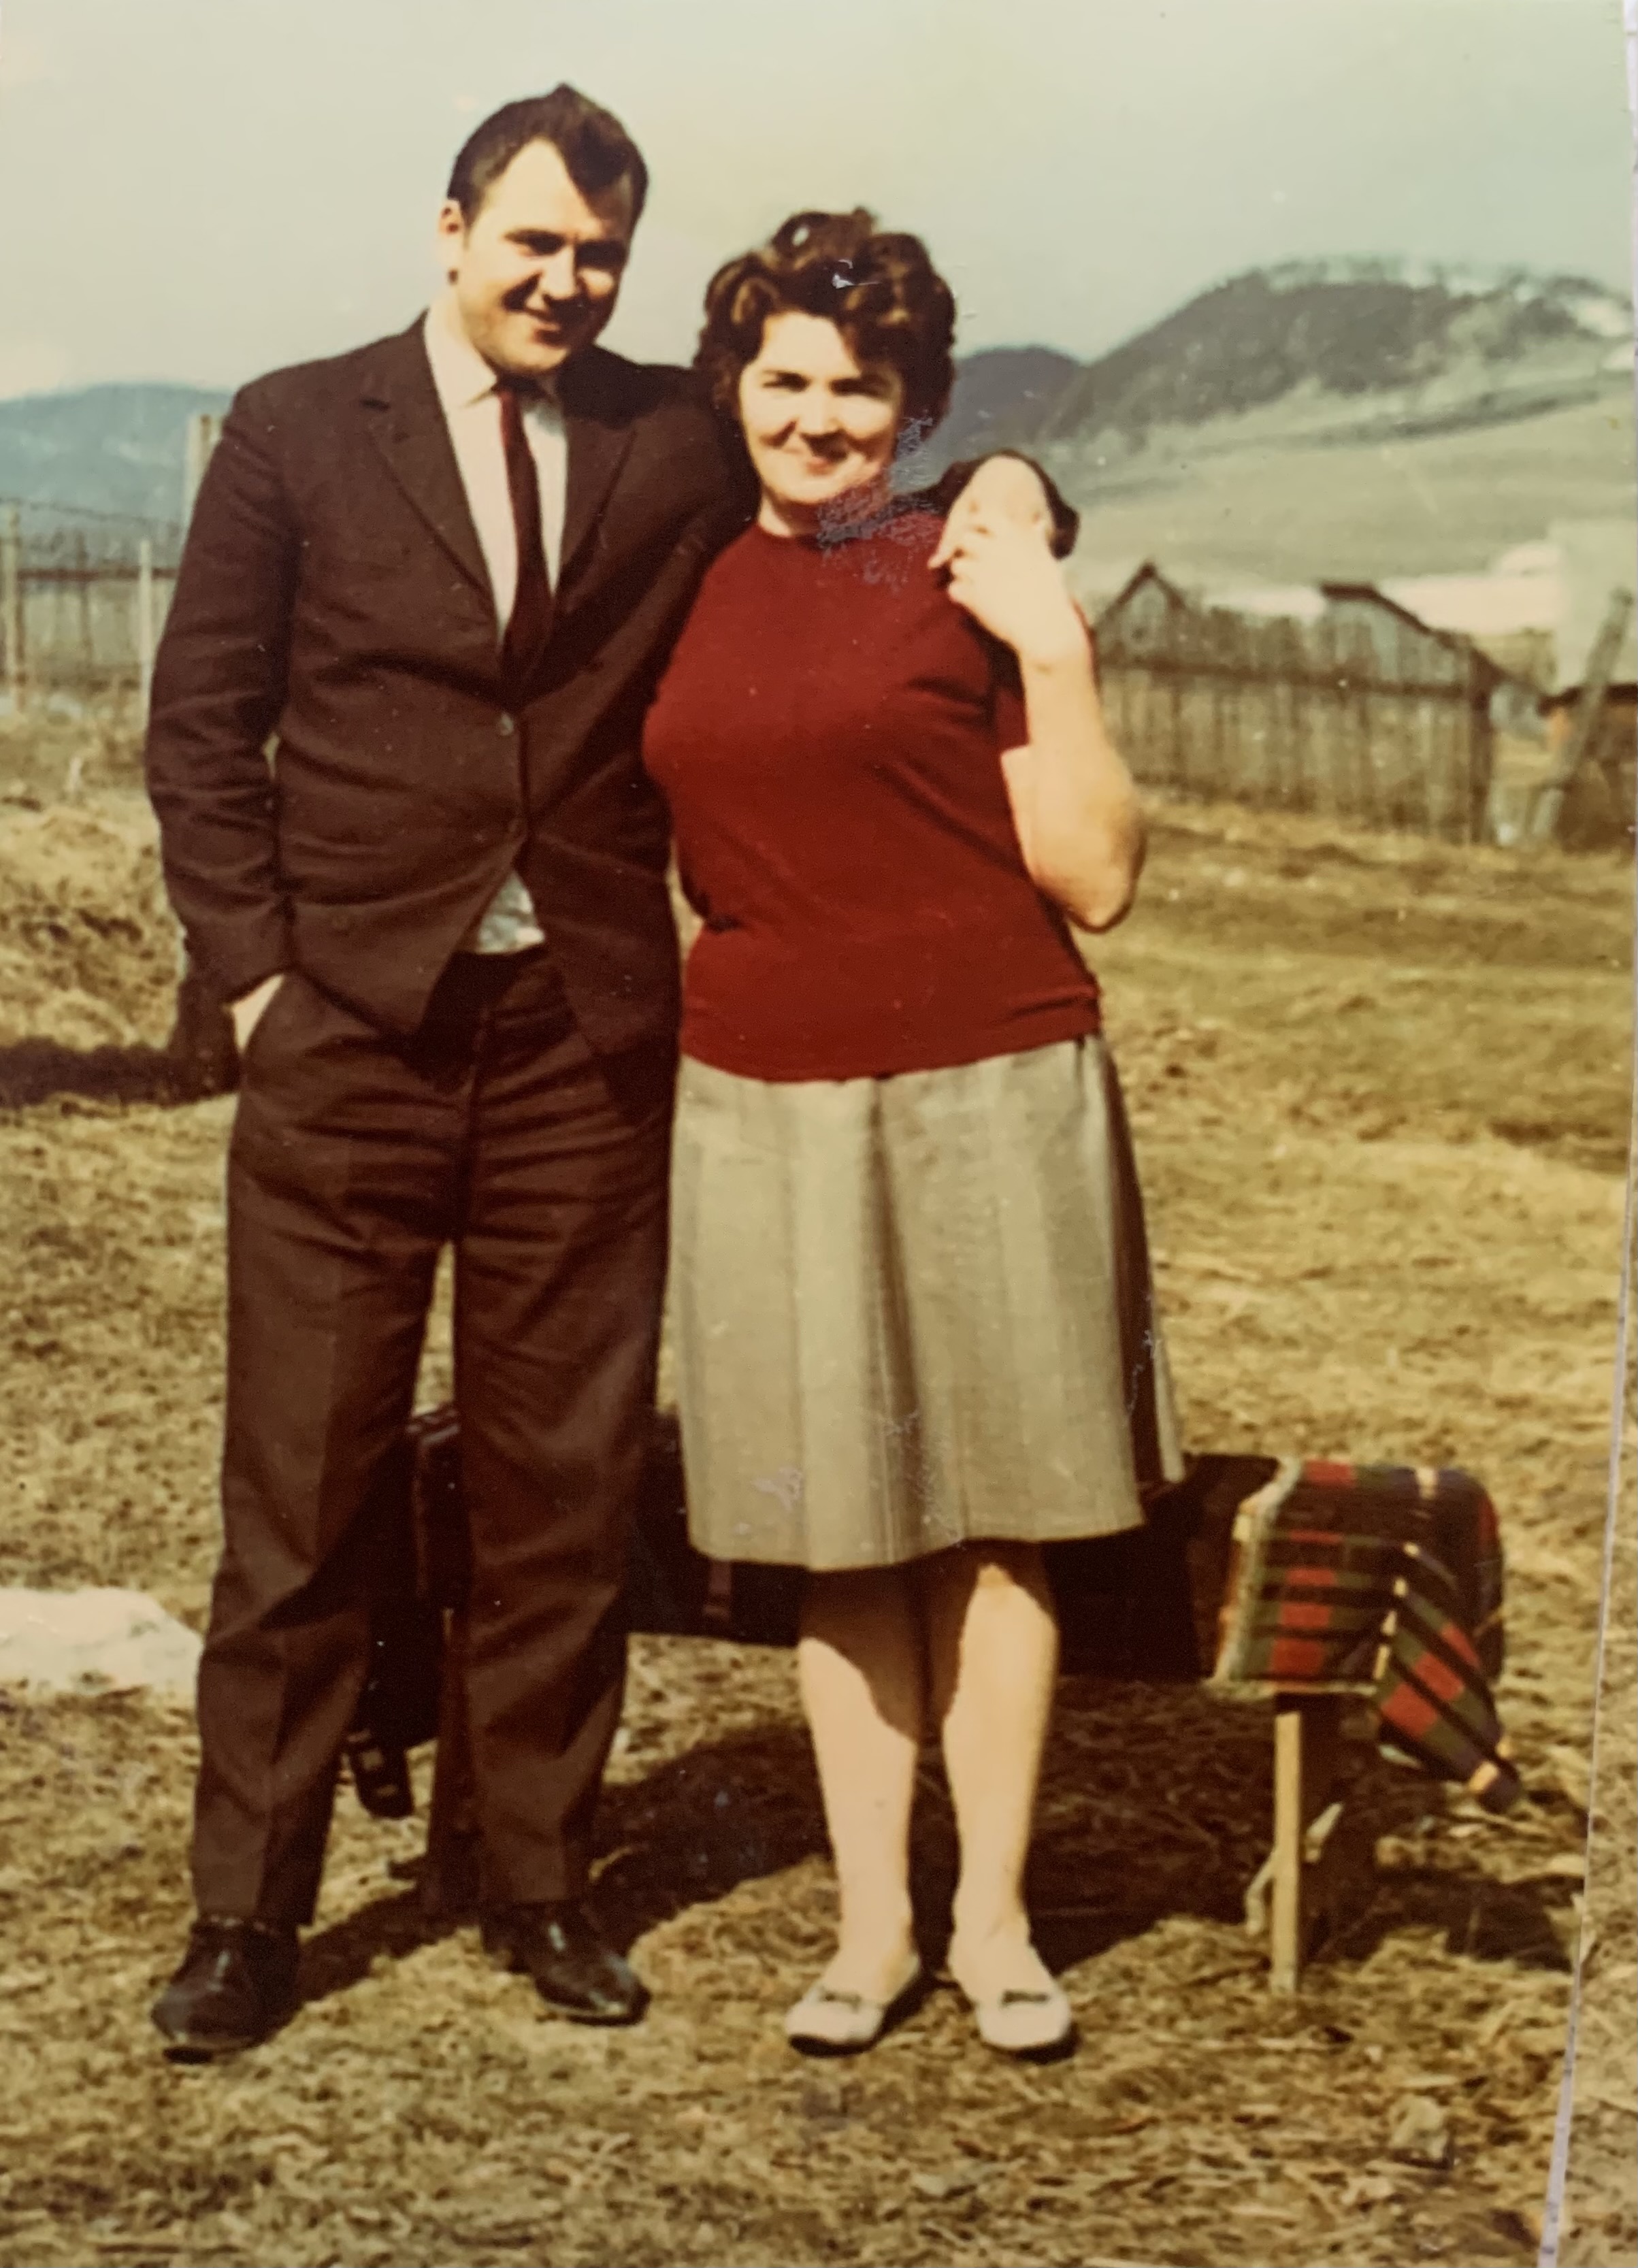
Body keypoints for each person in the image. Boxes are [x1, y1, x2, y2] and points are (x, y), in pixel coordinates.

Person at [143, 91, 1058, 2058]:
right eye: (535, 243)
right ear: (452, 229)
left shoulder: (671, 436)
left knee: (558, 1487)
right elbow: (201, 731)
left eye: (600, 257)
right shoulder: (297, 430)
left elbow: (855, 464)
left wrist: (1017, 481)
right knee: (305, 1485)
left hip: (583, 1043)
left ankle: (534, 1879)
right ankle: (249, 1911)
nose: (566, 283)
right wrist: (267, 984)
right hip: (352, 1040)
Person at [643, 210, 1183, 2061]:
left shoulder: (965, 562)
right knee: (838, 1526)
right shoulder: (684, 574)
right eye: (784, 380)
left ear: (916, 406)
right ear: (734, 389)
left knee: (996, 1524)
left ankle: (993, 1922)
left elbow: (1096, 880)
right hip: (761, 1095)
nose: (817, 419)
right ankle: (872, 1928)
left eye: (859, 388)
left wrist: (1055, 647)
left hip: (991, 1081)